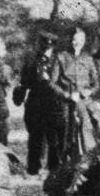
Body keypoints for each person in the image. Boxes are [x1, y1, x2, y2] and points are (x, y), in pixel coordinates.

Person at [16, 33, 67, 175]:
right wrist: (20, 94)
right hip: (35, 103)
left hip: (53, 103)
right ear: (40, 45)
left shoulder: (59, 61)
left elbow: (64, 81)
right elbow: (24, 81)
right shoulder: (32, 61)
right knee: (35, 137)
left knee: (54, 139)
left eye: (49, 47)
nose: (46, 50)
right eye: (44, 47)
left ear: (53, 47)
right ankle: (33, 166)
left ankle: (54, 167)